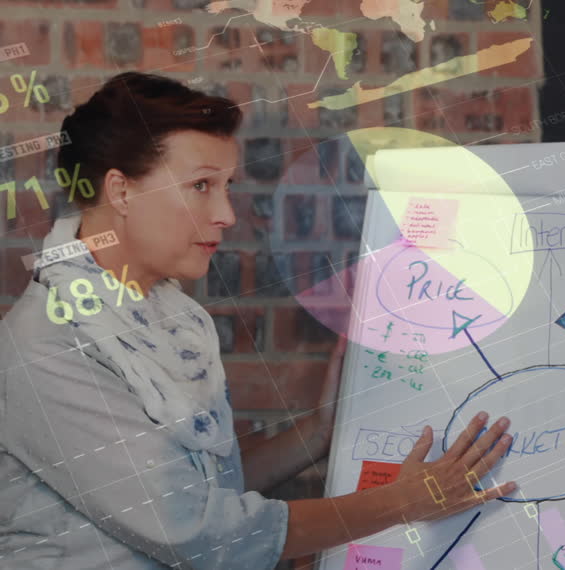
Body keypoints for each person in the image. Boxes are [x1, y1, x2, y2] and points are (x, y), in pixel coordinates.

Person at [0, 72, 517, 568]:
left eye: (225, 185)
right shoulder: (49, 342)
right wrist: (406, 501)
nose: (226, 213)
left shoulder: (172, 322)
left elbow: (202, 488)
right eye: (201, 185)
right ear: (121, 191)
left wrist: (319, 431)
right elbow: (200, 533)